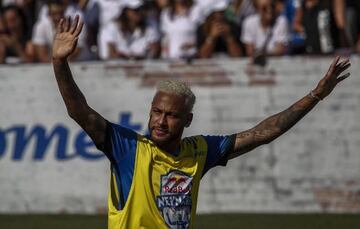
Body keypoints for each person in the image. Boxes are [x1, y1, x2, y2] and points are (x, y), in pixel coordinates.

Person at [52, 16, 351, 229]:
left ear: (187, 120)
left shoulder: (199, 151)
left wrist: (315, 95)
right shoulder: (128, 147)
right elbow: (78, 110)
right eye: (156, 112)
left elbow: (263, 133)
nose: (160, 121)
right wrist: (60, 62)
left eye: (171, 115)